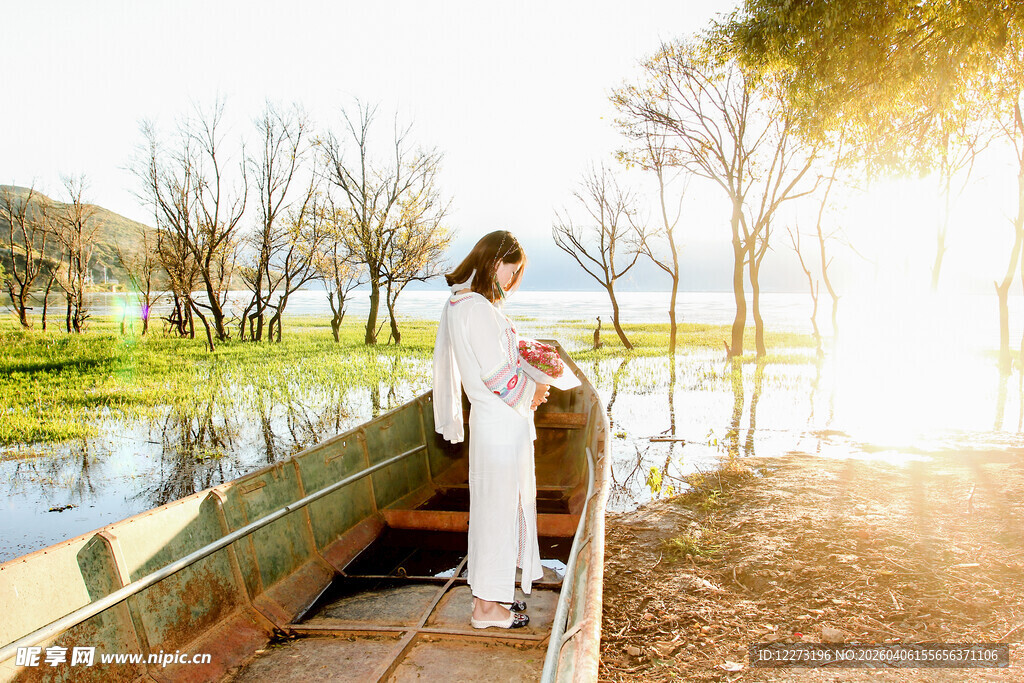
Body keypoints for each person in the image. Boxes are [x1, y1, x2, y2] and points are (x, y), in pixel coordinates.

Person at [432, 230, 550, 629]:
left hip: (494, 425)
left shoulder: (462, 303)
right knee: (497, 514)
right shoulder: (476, 309)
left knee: (494, 512)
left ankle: (489, 599)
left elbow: (493, 361)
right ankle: (486, 609)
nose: (511, 280)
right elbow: (499, 377)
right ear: (493, 263)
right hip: (500, 425)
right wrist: (534, 390)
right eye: (511, 271)